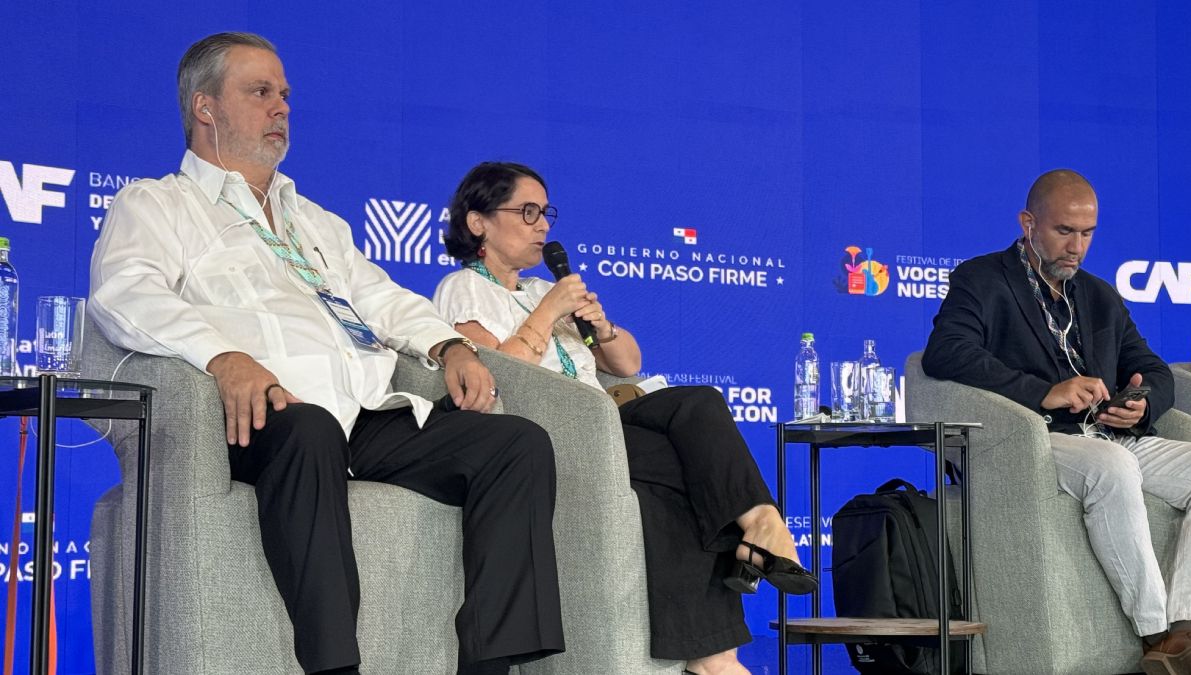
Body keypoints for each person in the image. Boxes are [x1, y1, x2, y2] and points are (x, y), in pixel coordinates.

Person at [88, 33, 564, 675]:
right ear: (205, 107)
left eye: (285, 95)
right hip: (263, 413)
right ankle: (335, 668)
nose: (281, 107)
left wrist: (448, 344)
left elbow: (382, 298)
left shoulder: (313, 220)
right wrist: (223, 357)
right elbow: (125, 294)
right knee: (309, 429)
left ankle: (490, 667)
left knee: (515, 445)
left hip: (361, 410)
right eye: (261, 92)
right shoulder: (159, 204)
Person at [431, 161, 815, 675]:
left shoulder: (541, 288)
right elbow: (498, 377)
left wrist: (600, 326)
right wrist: (548, 313)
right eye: (527, 212)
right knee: (683, 469)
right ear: (478, 222)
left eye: (545, 213)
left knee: (698, 404)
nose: (542, 225)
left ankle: (757, 534)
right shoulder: (461, 289)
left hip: (605, 417)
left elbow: (628, 364)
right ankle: (720, 646)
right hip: (544, 430)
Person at [923, 169, 1191, 674]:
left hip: (1113, 433)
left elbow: (1154, 369)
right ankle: (1155, 633)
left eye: (1087, 233)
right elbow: (946, 352)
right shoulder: (982, 279)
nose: (1077, 247)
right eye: (1064, 231)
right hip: (1038, 438)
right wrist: (1043, 393)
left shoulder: (1099, 295)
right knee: (1111, 466)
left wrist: (1141, 405)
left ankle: (1187, 630)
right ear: (1028, 223)